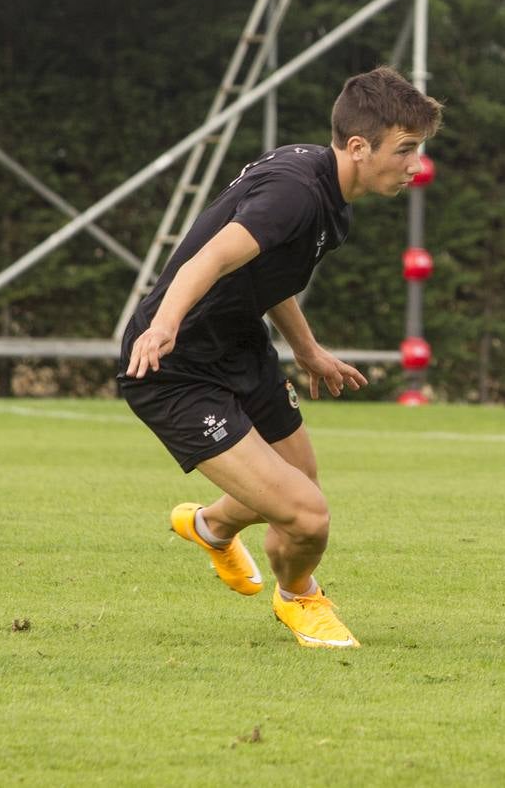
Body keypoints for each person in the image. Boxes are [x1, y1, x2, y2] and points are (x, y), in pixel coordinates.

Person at [118, 67, 443, 649]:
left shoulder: (332, 198)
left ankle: (211, 527)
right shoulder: (296, 193)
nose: (415, 166)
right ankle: (299, 599)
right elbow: (209, 259)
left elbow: (267, 274)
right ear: (358, 147)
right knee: (307, 515)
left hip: (241, 345)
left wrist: (307, 349)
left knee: (299, 484)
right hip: (176, 368)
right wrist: (163, 326)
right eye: (405, 150)